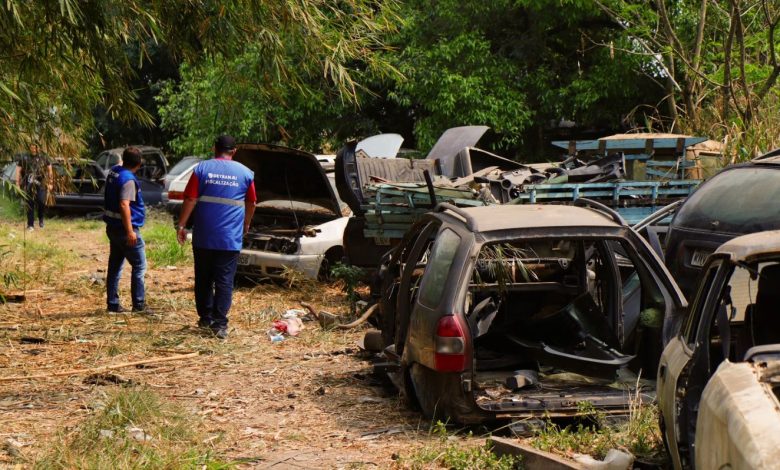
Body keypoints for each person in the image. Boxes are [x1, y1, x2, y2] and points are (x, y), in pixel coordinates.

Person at [177, 135, 256, 339]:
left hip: (204, 236)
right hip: (230, 237)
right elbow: (252, 202)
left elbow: (190, 198)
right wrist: (246, 223)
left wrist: (182, 224)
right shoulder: (246, 173)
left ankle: (205, 319)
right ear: (234, 151)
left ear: (215, 148)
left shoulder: (201, 169)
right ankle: (220, 324)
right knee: (224, 281)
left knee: (203, 278)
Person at [103, 147, 152, 314]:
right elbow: (124, 204)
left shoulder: (114, 172)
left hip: (113, 228)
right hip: (125, 230)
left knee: (115, 266)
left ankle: (113, 303)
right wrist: (130, 231)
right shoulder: (128, 180)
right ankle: (139, 305)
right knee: (139, 266)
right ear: (138, 164)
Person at [16, 144, 52, 230]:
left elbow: (49, 169)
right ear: (29, 147)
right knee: (30, 203)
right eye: (32, 147)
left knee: (41, 201)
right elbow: (18, 170)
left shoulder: (43, 157)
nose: (33, 149)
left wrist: (51, 183)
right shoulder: (24, 157)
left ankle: (41, 219)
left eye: (35, 147)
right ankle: (30, 225)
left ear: (38, 147)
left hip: (41, 183)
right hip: (28, 183)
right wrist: (17, 184)